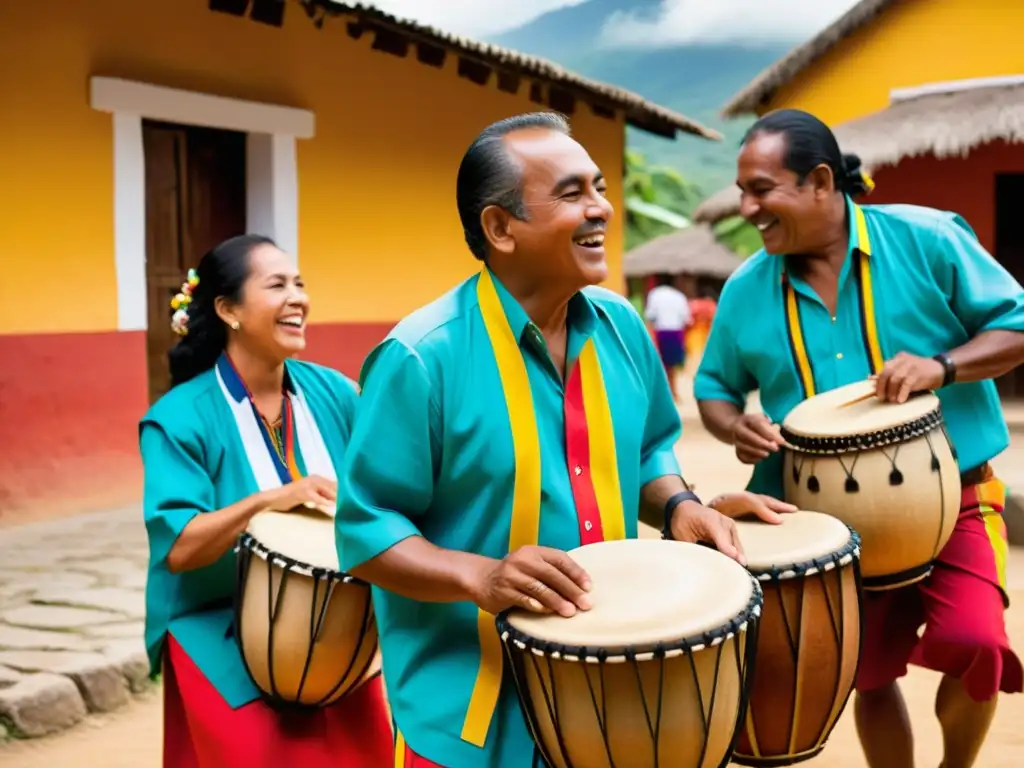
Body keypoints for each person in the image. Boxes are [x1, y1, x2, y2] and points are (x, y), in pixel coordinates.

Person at [334, 111, 795, 768]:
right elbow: (366, 530)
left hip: (614, 693)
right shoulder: (419, 358)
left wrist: (680, 507)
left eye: (601, 187)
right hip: (470, 712)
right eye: (573, 193)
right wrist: (480, 575)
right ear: (500, 228)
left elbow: (648, 450)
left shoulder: (623, 328)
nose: (602, 209)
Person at [694, 108, 1024, 768]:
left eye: (762, 189)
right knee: (870, 676)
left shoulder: (928, 240)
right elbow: (714, 389)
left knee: (978, 643)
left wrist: (943, 366)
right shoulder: (744, 290)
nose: (746, 207)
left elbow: (1017, 325)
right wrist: (737, 426)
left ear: (820, 181)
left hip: (952, 496)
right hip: (824, 525)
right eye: (742, 190)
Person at [140, 234, 393, 767]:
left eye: (299, 284)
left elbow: (391, 482)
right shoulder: (178, 418)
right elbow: (181, 549)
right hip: (216, 627)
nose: (297, 297)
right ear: (228, 309)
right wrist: (267, 502)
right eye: (277, 284)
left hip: (334, 623)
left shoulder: (336, 394)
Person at [644, 273, 692, 400]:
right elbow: (686, 320)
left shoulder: (655, 294)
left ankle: (664, 394)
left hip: (661, 332)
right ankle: (673, 392)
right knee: (672, 367)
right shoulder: (679, 296)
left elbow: (650, 316)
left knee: (661, 366)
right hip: (676, 332)